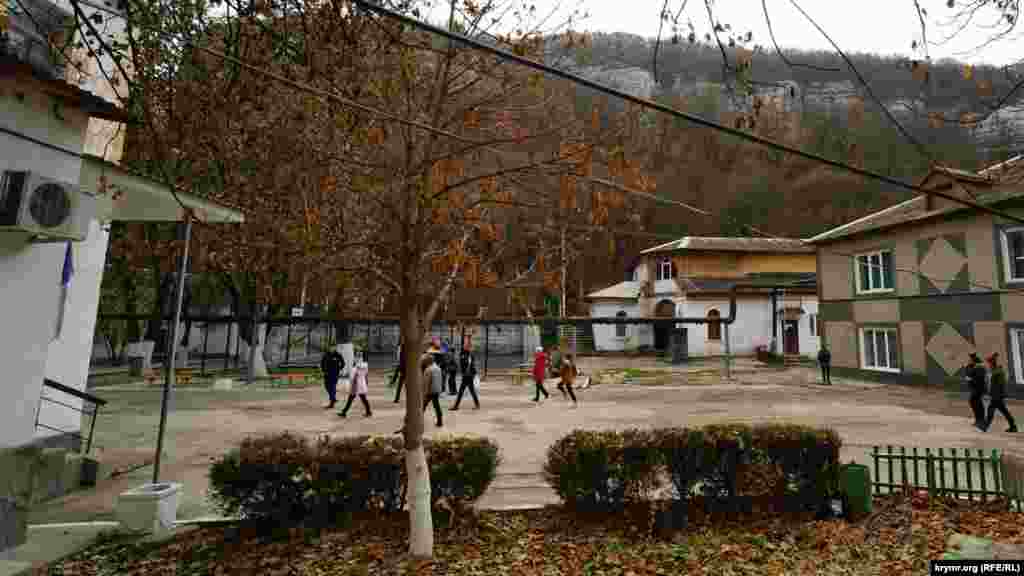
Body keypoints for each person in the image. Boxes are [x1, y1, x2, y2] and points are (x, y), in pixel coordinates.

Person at [982, 353, 1017, 433]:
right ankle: (1013, 426)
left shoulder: (998, 372)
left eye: (989, 363)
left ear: (992, 363)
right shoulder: (995, 371)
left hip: (997, 395)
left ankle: (985, 426)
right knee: (1004, 411)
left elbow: (1000, 385)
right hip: (997, 395)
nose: (988, 365)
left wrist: (994, 394)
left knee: (991, 409)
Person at [339, 350, 372, 418]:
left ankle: (344, 412)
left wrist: (352, 384)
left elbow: (354, 376)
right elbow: (366, 375)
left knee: (352, 398)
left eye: (358, 355)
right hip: (361, 383)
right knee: (362, 398)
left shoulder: (357, 365)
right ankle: (368, 411)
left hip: (356, 384)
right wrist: (366, 383)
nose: (357, 357)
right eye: (357, 355)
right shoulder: (365, 365)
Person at [964, 353, 988, 430]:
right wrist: (968, 366)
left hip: (978, 389)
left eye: (970, 360)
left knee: (975, 402)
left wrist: (971, 379)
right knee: (975, 402)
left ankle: (980, 420)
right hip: (975, 388)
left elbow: (979, 379)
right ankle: (979, 420)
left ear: (974, 360)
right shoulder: (974, 367)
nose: (969, 360)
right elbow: (968, 373)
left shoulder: (979, 367)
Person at [319, 345, 345, 409]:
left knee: (332, 386)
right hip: (327, 373)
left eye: (333, 347)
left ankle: (332, 402)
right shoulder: (326, 354)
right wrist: (323, 370)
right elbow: (322, 363)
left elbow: (343, 363)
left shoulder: (338, 355)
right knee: (326, 386)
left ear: (335, 348)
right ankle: (333, 398)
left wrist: (339, 369)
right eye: (331, 347)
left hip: (334, 374)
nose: (332, 348)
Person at [423, 354, 444, 427]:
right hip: (437, 390)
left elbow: (427, 382)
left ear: (428, 361)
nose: (424, 361)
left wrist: (425, 393)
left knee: (422, 405)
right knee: (436, 406)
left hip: (430, 391)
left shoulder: (428, 369)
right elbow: (440, 380)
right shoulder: (438, 368)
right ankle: (440, 421)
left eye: (425, 360)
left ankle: (418, 420)